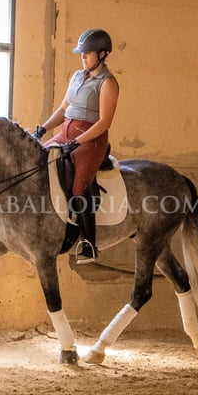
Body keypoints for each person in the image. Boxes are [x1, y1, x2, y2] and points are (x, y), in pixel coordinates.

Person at [32, 28, 119, 264]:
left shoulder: (108, 83)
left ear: (102, 54)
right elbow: (62, 110)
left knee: (79, 185)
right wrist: (42, 129)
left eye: (87, 53)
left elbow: (104, 122)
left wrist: (77, 142)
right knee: (38, 162)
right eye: (82, 53)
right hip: (65, 133)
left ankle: (89, 243)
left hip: (91, 140)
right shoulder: (77, 76)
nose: (83, 56)